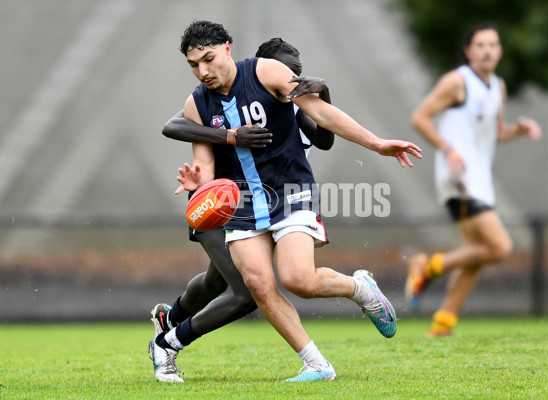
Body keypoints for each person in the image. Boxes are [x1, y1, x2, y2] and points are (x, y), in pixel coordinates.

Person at [150, 20, 422, 383]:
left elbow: (323, 118)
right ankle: (316, 364)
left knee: (299, 280)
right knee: (258, 286)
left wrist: (377, 143)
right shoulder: (197, 102)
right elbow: (205, 164)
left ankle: (360, 288)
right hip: (242, 202)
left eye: (209, 59)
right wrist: (202, 183)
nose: (203, 71)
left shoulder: (266, 71)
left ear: (228, 48)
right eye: (193, 65)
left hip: (291, 192)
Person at [148, 38, 335, 383]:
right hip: (217, 202)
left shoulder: (294, 109)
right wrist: (230, 137)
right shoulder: (220, 99)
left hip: (262, 207)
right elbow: (173, 125)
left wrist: (322, 94)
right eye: (285, 76)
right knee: (245, 293)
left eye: (295, 77)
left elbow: (325, 140)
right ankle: (166, 343)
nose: (288, 84)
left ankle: (170, 317)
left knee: (215, 280)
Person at [405, 22, 541, 337]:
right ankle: (427, 267)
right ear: (468, 51)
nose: (487, 50)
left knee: (476, 254)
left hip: (480, 179)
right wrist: (448, 149)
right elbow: (419, 117)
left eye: (493, 45)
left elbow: (497, 131)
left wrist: (519, 130)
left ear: (500, 51)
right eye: (480, 45)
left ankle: (443, 324)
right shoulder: (457, 81)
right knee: (500, 247)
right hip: (458, 178)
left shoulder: (498, 87)